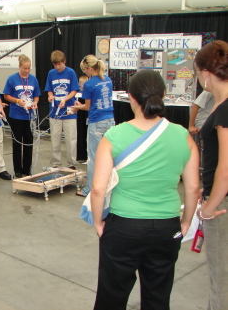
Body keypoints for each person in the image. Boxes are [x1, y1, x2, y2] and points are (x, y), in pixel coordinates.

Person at [91, 69, 200, 310]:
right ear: (163, 95)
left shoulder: (114, 135)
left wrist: (98, 223)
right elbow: (193, 188)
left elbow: (98, 189)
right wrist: (184, 223)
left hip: (123, 227)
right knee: (158, 297)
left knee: (111, 296)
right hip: (166, 226)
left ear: (131, 97)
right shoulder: (183, 137)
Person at [194, 40, 228, 310]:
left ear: (206, 73)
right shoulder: (220, 107)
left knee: (222, 279)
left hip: (222, 206)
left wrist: (209, 208)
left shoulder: (225, 110)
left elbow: (225, 170)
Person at [71, 55, 114, 197]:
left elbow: (88, 107)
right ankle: (109, 185)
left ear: (89, 68)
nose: (85, 73)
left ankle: (89, 188)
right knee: (109, 155)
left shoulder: (89, 84)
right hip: (110, 120)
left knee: (93, 157)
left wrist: (78, 107)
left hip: (97, 122)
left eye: (84, 70)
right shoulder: (107, 80)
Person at [3, 54, 41, 178]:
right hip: (16, 116)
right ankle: (18, 170)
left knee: (29, 142)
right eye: (24, 68)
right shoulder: (12, 79)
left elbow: (36, 95)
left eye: (29, 68)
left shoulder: (33, 79)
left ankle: (27, 169)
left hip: (29, 116)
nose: (27, 71)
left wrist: (35, 102)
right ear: (19, 66)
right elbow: (6, 96)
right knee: (17, 142)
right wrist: (18, 101)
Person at [45, 50, 79, 169]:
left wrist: (65, 99)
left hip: (69, 112)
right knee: (55, 140)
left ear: (64, 61)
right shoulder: (51, 73)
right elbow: (49, 88)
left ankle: (72, 164)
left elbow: (74, 90)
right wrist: (50, 96)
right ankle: (55, 164)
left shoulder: (71, 73)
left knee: (70, 140)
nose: (57, 67)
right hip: (55, 113)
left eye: (59, 64)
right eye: (55, 65)